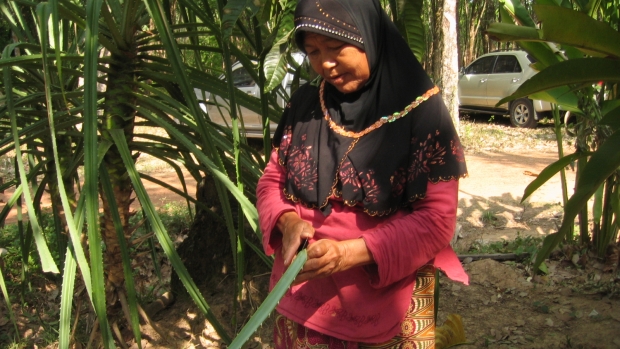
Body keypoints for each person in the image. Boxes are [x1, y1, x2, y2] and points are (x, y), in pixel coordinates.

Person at [256, 0, 468, 347]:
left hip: (385, 291)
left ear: (370, 36)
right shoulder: (306, 105)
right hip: (304, 288)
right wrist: (287, 222)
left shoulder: (422, 112)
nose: (325, 63)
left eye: (337, 48)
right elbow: (271, 181)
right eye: (312, 51)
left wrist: (348, 254)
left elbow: (436, 220)